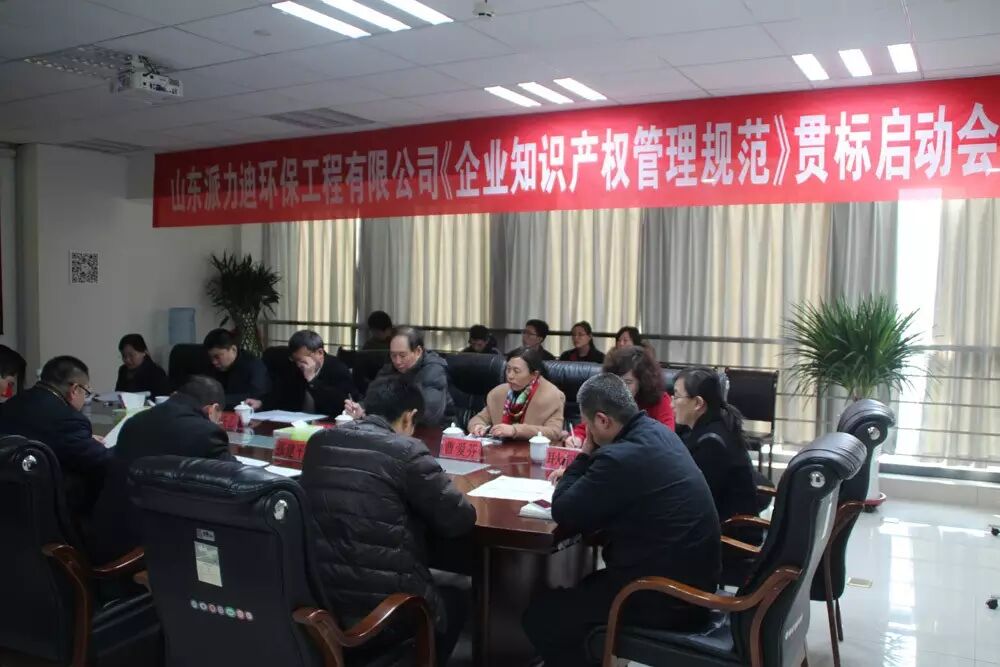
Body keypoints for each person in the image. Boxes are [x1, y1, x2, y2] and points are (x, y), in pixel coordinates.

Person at [524, 374, 720, 666]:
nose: (589, 433)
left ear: (602, 420)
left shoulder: (620, 457)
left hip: (664, 596)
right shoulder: (656, 432)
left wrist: (584, 454)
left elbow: (564, 510)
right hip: (692, 581)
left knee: (543, 615)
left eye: (589, 425)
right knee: (584, 588)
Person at [302, 376, 476, 666]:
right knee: (456, 599)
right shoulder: (406, 451)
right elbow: (459, 519)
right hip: (383, 611)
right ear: (410, 416)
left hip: (320, 600)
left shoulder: (319, 442)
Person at [90, 376, 234, 562]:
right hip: (154, 548)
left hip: (110, 533)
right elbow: (235, 480)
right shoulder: (204, 432)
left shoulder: (135, 421)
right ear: (212, 409)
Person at [0, 355, 109, 515]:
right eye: (86, 392)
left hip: (9, 499)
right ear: (75, 389)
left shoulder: (12, 403)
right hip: (49, 506)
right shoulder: (69, 420)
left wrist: (83, 439)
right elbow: (102, 461)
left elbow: (43, 433)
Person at [672, 367, 760, 540]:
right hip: (713, 528)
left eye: (676, 396)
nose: (671, 403)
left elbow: (695, 500)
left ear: (698, 403)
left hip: (727, 538)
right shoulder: (711, 427)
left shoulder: (711, 443)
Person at [565, 345, 675, 447]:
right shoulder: (606, 395)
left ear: (642, 382)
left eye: (628, 382)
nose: (621, 387)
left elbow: (667, 438)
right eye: (617, 380)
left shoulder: (660, 400)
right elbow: (589, 425)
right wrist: (577, 438)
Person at [344, 327, 454, 426]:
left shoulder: (433, 370)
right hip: (398, 428)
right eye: (393, 355)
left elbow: (429, 413)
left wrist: (387, 408)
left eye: (402, 355)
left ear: (418, 351)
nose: (397, 361)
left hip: (436, 430)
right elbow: (375, 396)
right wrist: (362, 408)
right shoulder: (391, 366)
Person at [468, 347, 565, 441]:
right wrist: (478, 426)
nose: (510, 376)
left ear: (534, 374)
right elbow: (479, 418)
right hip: (500, 449)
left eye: (516, 371)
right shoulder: (499, 393)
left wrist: (515, 430)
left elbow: (554, 432)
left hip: (531, 449)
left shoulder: (553, 396)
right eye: (508, 369)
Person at [282, 330, 356, 416]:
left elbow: (340, 407)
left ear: (320, 353)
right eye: (295, 360)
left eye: (302, 360)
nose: (298, 365)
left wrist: (312, 380)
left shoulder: (338, 369)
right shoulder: (292, 366)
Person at [203, 328, 270, 410]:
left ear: (233, 349)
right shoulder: (210, 365)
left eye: (217, 357)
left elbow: (256, 397)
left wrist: (217, 400)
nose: (214, 362)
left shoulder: (254, 366)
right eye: (211, 357)